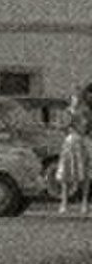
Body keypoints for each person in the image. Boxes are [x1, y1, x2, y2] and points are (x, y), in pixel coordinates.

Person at [57, 88, 92, 216]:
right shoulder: (67, 112)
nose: (76, 99)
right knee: (66, 174)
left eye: (78, 97)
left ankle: (84, 203)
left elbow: (89, 127)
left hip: (84, 142)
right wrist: (69, 126)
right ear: (71, 99)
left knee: (85, 174)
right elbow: (61, 126)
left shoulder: (86, 112)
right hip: (71, 142)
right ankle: (64, 203)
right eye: (74, 97)